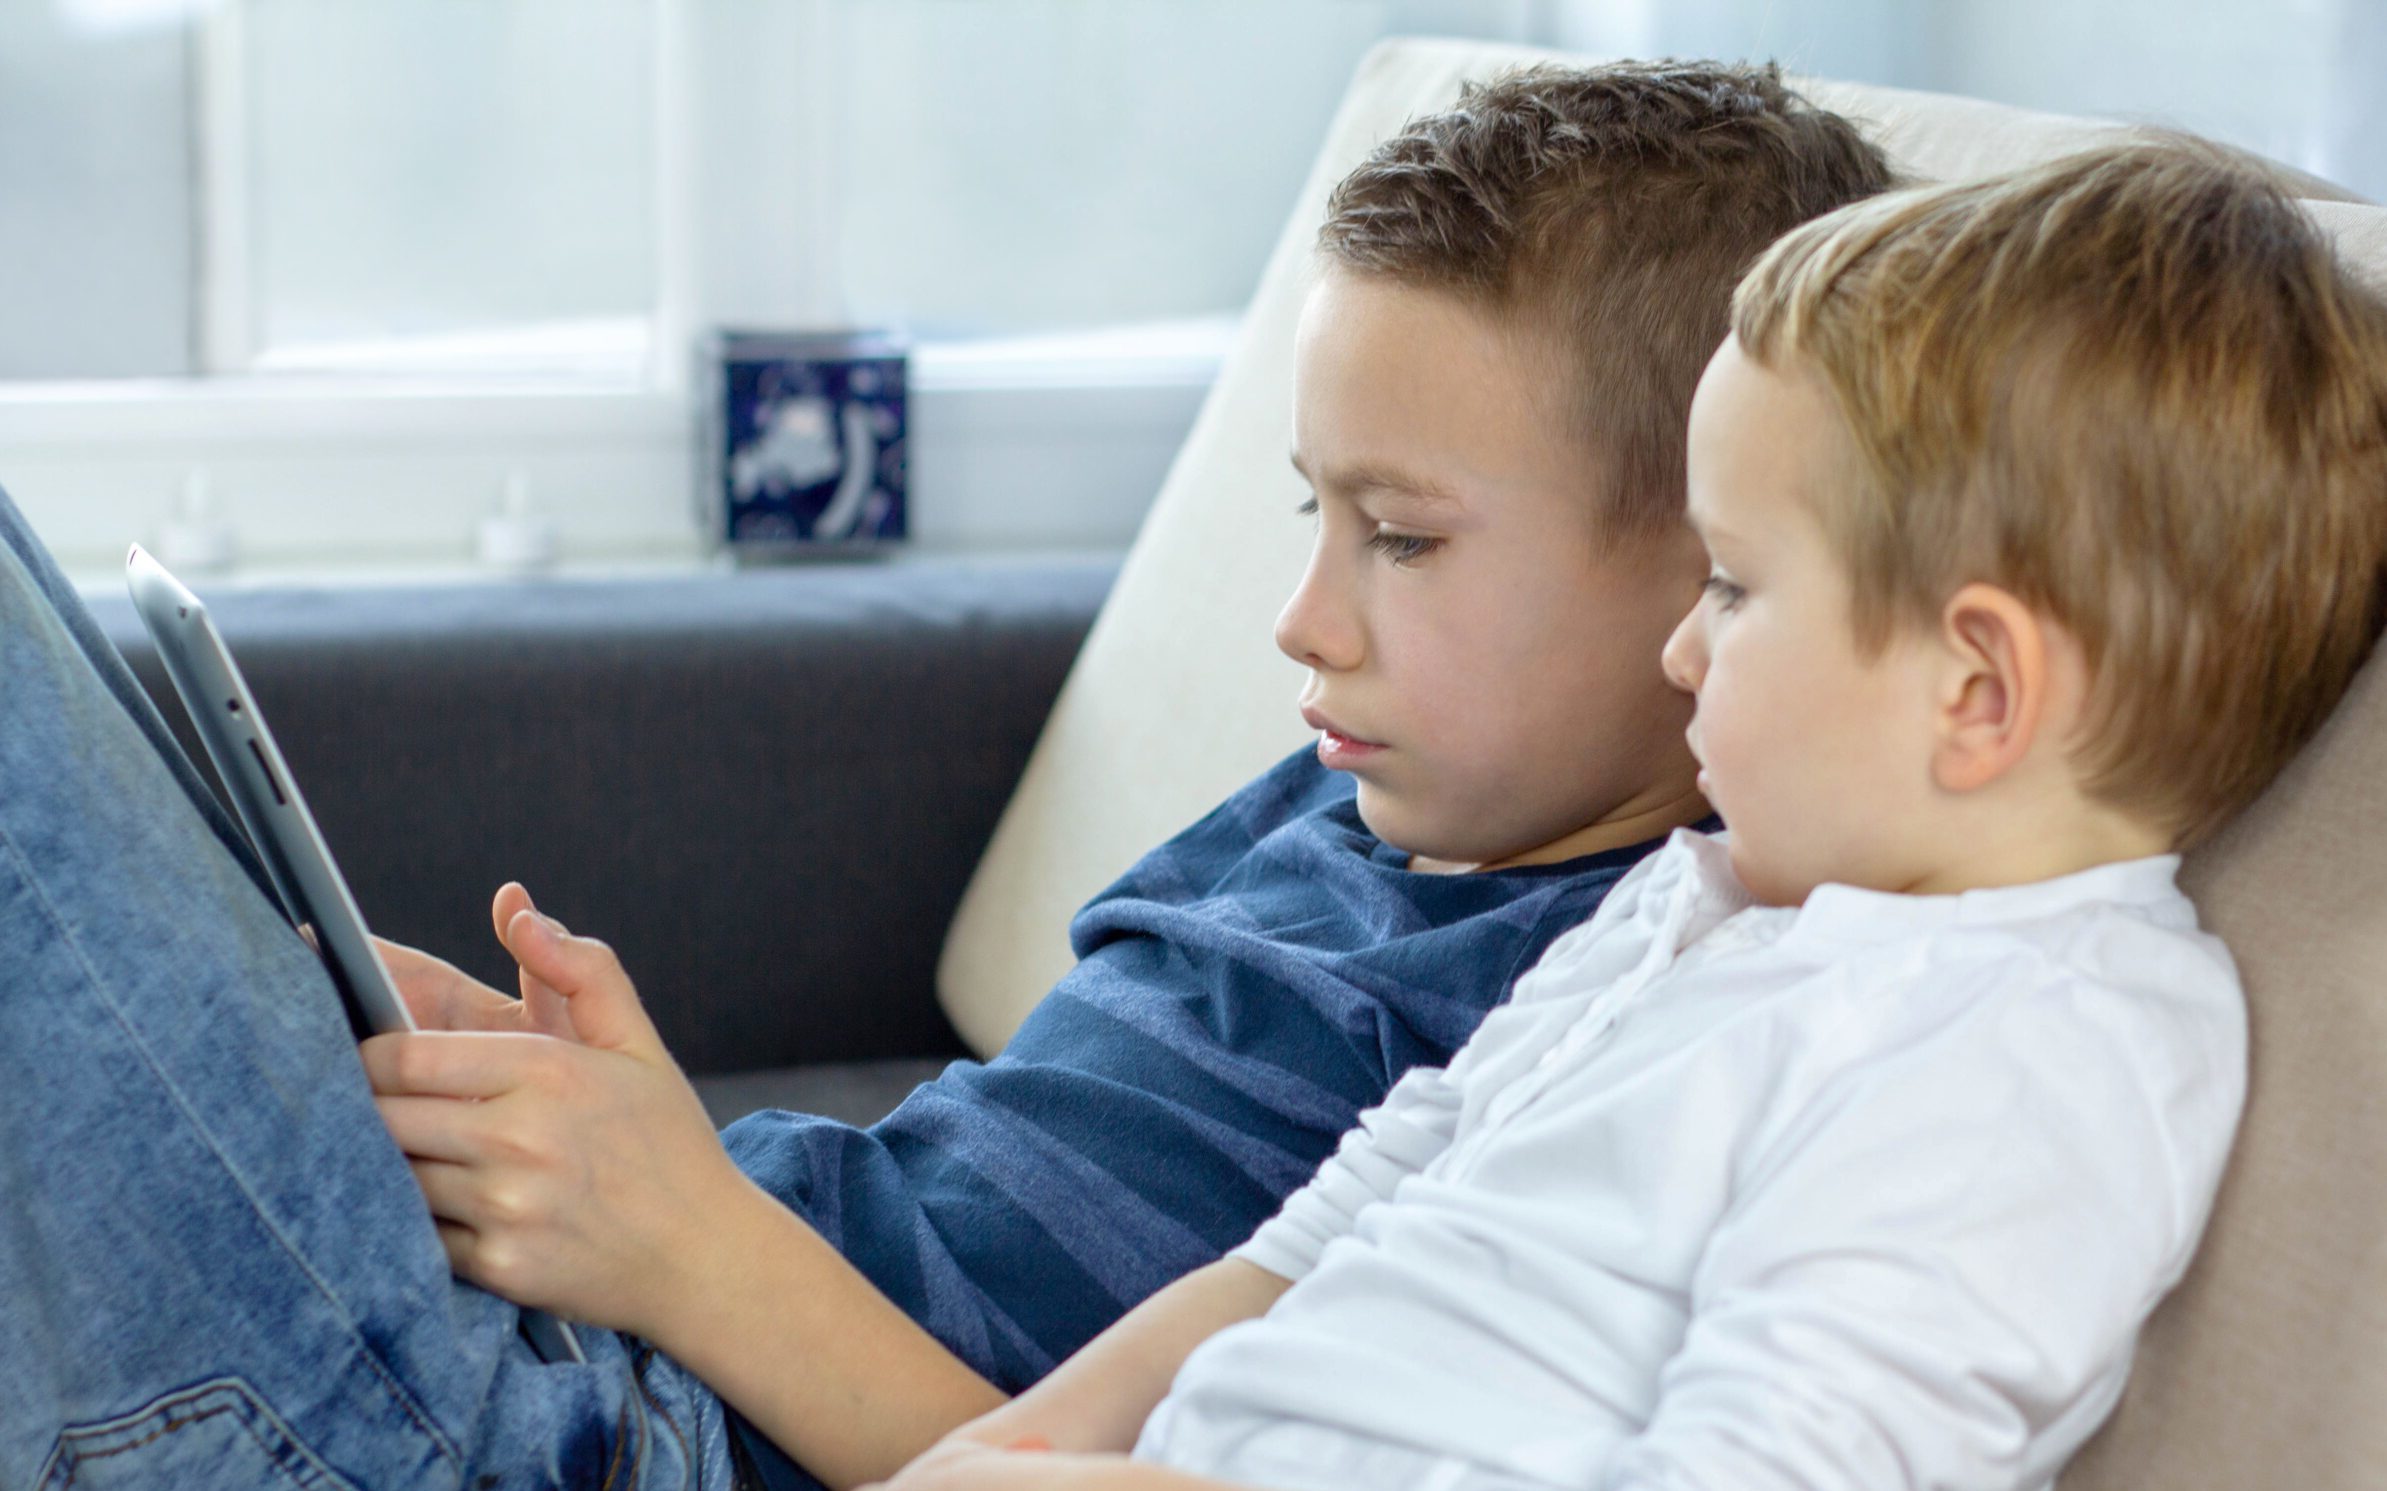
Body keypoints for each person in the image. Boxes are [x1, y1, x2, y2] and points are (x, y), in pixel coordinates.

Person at [0, 63, 1889, 1491]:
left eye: (1402, 537)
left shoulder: (1620, 1010)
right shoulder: (1364, 790)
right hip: (589, 1319)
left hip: (583, 1438)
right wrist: (627, 1153)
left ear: (1710, 563)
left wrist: (684, 1242)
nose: (1305, 618)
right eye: (1313, 515)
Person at [857, 139, 2387, 1491]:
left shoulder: (2029, 1060)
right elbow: (1324, 1236)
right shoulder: (1696, 902)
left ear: (1976, 691)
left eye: (1733, 585)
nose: (1680, 654)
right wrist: (1003, 1455)